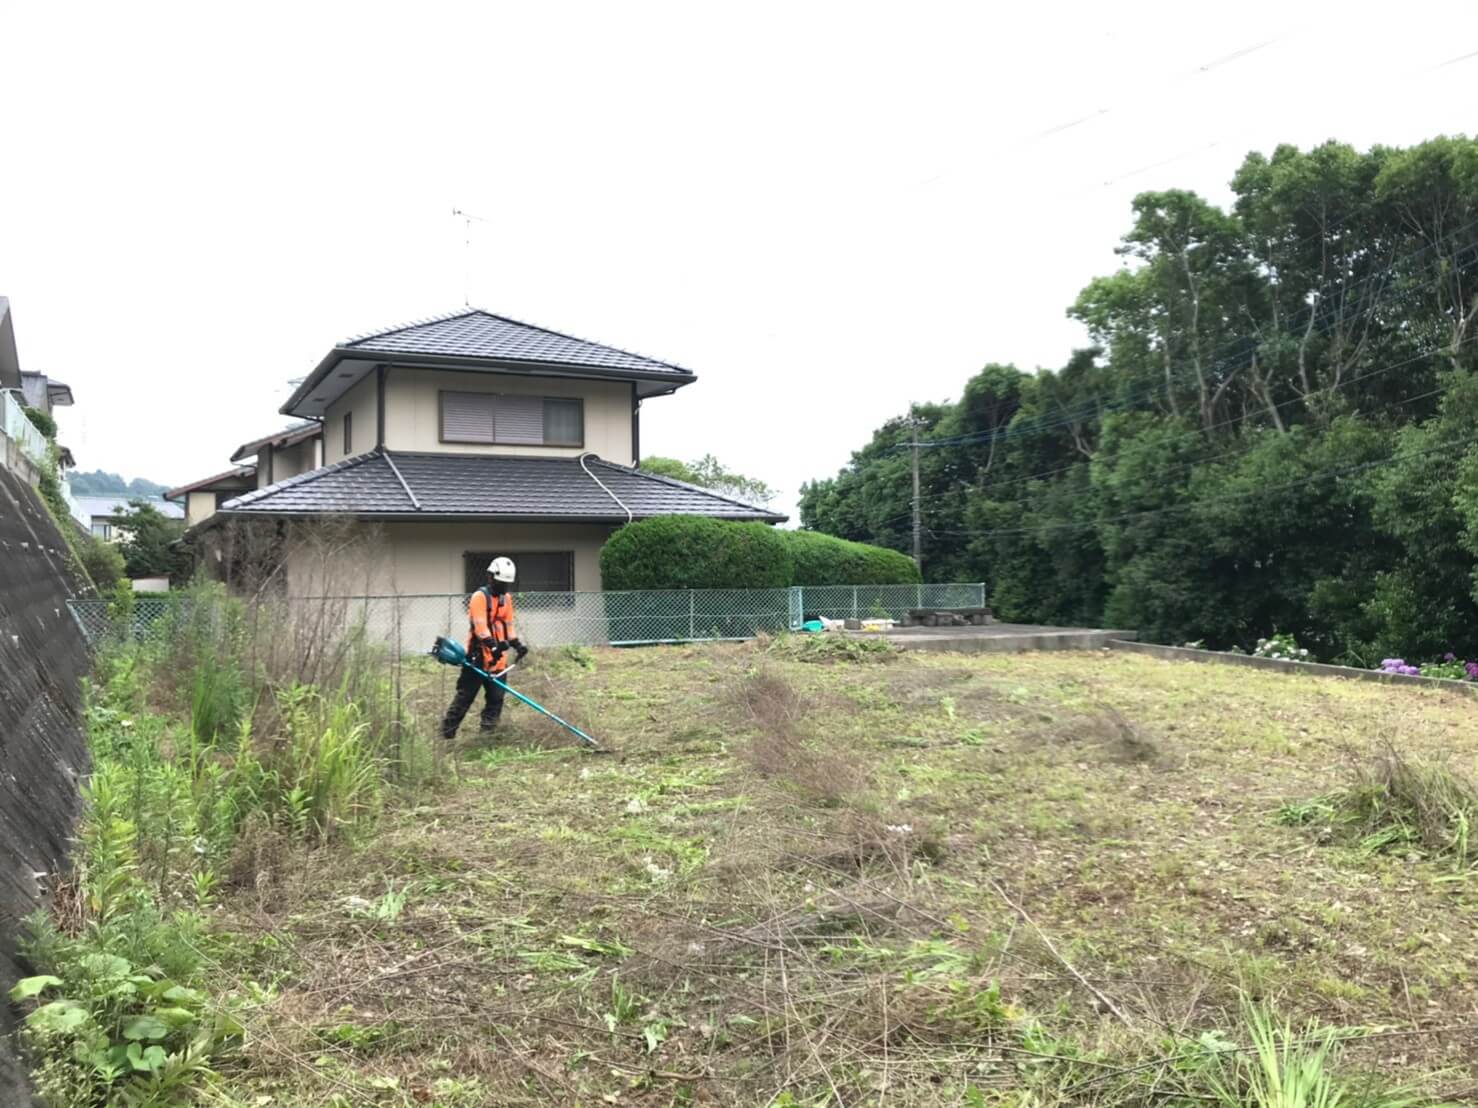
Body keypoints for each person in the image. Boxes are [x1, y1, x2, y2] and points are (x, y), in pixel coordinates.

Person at [441, 556, 529, 739]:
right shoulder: (479, 597)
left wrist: (517, 645)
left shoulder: (507, 599)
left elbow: (508, 626)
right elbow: (480, 626)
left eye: (506, 584)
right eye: (500, 583)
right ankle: (446, 736)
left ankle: (486, 736)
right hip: (477, 659)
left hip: (499, 662)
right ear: (490, 577)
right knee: (464, 698)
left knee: (496, 699)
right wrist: (493, 646)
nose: (503, 588)